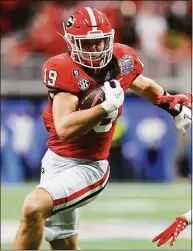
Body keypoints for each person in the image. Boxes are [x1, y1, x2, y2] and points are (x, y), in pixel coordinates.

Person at [13, 7, 192, 250]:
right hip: (55, 160)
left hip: (90, 166)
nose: (96, 48)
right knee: (62, 242)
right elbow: (64, 128)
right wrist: (104, 108)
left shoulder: (122, 58)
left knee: (33, 208)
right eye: (88, 43)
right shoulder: (63, 69)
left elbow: (142, 84)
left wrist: (171, 105)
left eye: (100, 41)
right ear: (72, 43)